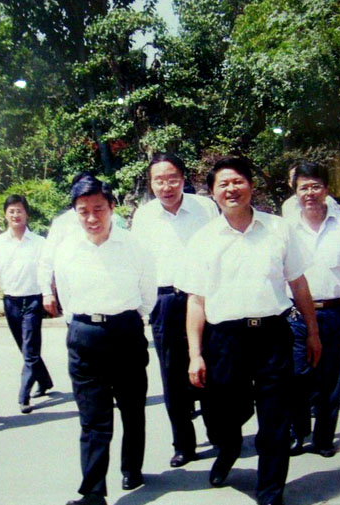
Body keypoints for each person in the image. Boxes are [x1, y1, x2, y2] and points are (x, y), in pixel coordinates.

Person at [177, 156, 321, 505]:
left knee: (275, 418)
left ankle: (270, 491)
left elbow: (298, 283)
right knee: (222, 413)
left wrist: (313, 332)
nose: (231, 189)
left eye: (238, 181)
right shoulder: (203, 239)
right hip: (225, 340)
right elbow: (196, 300)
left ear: (251, 186)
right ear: (212, 193)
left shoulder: (278, 229)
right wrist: (195, 354)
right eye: (223, 184)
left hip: (272, 335)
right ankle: (227, 449)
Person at [55, 176, 156, 505]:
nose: (91, 218)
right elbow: (66, 298)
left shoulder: (135, 246)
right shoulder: (66, 249)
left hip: (125, 332)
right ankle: (93, 491)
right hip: (84, 336)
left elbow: (148, 296)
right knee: (93, 419)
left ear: (112, 207)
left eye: (98, 209)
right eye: (83, 211)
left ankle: (132, 467)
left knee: (132, 408)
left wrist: (126, 320)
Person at [131, 153, 219, 468]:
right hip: (165, 301)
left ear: (183, 179)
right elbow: (138, 264)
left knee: (210, 367)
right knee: (172, 375)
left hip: (205, 297)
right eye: (159, 180)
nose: (166, 186)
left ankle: (219, 433)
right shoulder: (144, 216)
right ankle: (183, 443)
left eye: (172, 179)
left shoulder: (205, 208)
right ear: (151, 183)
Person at [285, 161, 340, 458]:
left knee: (330, 379)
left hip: (337, 312)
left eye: (315, 186)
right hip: (295, 314)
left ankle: (323, 438)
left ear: (327, 190)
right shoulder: (285, 228)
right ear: (295, 192)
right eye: (303, 188)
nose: (310, 193)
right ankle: (297, 433)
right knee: (296, 376)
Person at [0, 195, 53, 413]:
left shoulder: (39, 243)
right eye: (12, 211)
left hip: (33, 300)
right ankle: (45, 381)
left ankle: (23, 396)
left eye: (20, 211)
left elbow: (46, 272)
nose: (16, 215)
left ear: (27, 214)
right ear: (5, 215)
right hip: (11, 301)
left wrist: (47, 295)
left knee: (30, 350)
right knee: (25, 349)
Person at [38, 173, 127, 319]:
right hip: (78, 298)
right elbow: (47, 259)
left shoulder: (114, 219)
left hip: (113, 293)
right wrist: (47, 292)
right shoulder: (62, 223)